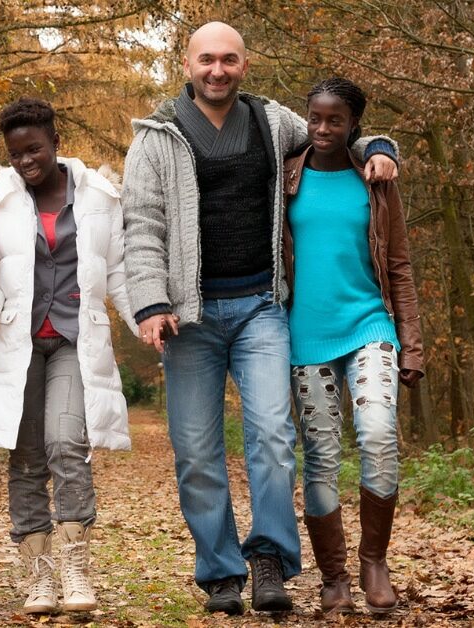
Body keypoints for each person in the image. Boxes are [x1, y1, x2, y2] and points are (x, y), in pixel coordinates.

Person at [121, 21, 400, 615]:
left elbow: (337, 136)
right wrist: (150, 302)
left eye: (228, 59)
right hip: (189, 318)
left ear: (243, 64)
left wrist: (382, 148)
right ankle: (220, 570)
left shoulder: (275, 124)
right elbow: (142, 226)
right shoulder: (156, 135)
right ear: (188, 63)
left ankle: (270, 557)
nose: (216, 70)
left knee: (274, 438)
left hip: (262, 309)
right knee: (195, 451)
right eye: (206, 60)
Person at [0, 98, 137, 615]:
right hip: (18, 342)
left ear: (56, 142)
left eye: (33, 149)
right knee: (26, 457)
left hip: (74, 341)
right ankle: (39, 575)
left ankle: (76, 566)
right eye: (15, 154)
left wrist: (145, 319)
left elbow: (120, 270)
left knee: (65, 440)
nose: (25, 162)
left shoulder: (102, 196)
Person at [281, 77, 423, 615]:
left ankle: (373, 562)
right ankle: (334, 577)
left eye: (334, 119)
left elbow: (400, 267)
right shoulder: (287, 176)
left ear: (353, 125)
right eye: (314, 117)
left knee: (380, 433)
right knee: (319, 454)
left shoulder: (375, 183)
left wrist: (412, 345)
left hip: (370, 327)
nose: (321, 129)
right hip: (307, 337)